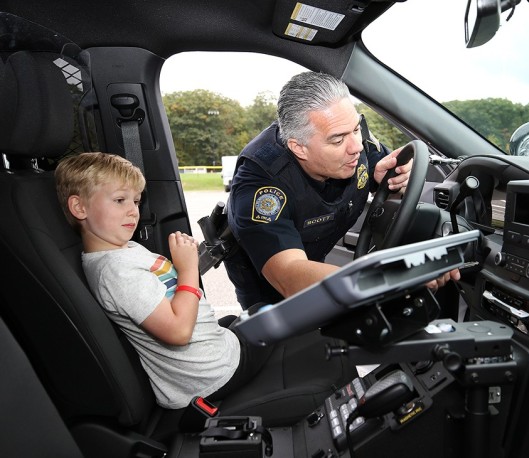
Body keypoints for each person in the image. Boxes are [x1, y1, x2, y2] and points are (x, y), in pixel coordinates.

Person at [54, 152, 353, 411]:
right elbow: (179, 331)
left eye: (135, 200)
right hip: (212, 376)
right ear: (79, 208)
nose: (133, 210)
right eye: (120, 200)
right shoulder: (117, 272)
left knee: (263, 310)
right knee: (312, 334)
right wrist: (187, 268)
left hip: (207, 358)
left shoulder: (123, 250)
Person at [224, 71, 460, 310]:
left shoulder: (350, 135)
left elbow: (390, 176)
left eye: (356, 129)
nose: (357, 147)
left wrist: (390, 180)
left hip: (317, 255)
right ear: (299, 148)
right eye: (337, 141)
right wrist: (391, 277)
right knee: (277, 332)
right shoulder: (261, 182)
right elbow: (290, 275)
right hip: (268, 278)